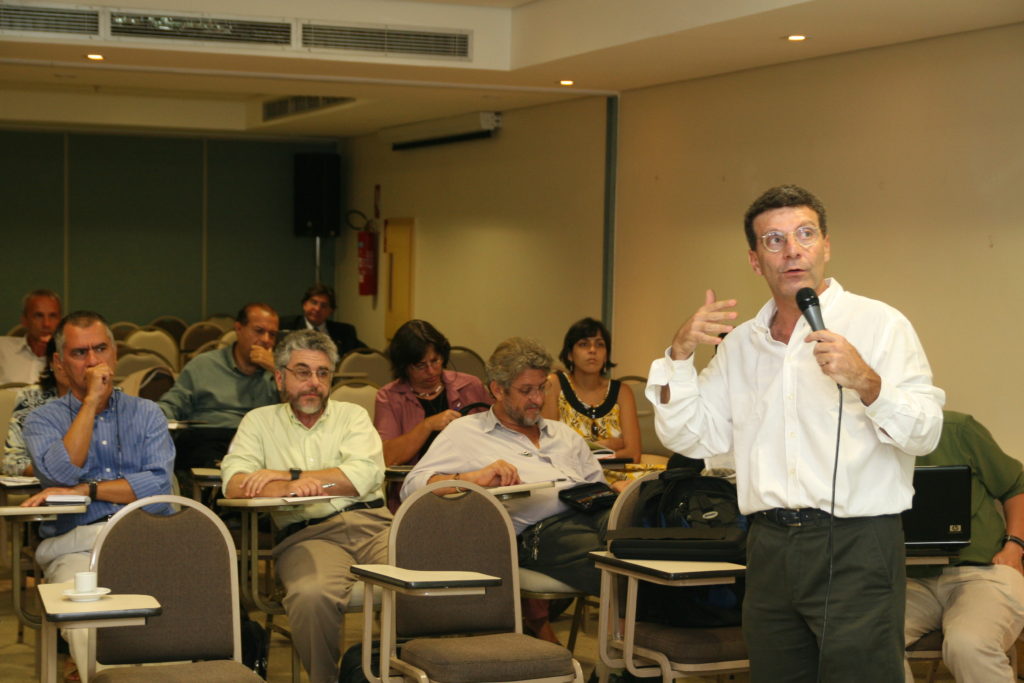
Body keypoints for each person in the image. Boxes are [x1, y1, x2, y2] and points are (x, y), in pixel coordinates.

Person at [646, 184, 944, 681]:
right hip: (768, 544)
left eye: (805, 234)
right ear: (755, 260)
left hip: (855, 541)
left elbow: (926, 433)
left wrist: (868, 382)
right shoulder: (741, 344)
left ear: (826, 245)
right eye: (774, 240)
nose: (793, 250)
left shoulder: (880, 325)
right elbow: (693, 439)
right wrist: (677, 357)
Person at [401, 338, 615, 619]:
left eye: (541, 388)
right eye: (526, 391)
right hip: (537, 534)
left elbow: (596, 486)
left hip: (591, 516)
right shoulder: (466, 433)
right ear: (497, 390)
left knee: (636, 536)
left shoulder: (563, 434)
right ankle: (632, 637)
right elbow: (411, 488)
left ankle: (647, 634)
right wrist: (470, 479)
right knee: (612, 560)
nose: (537, 400)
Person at [221, 329, 390, 683]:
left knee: (427, 578)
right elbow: (236, 483)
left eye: (323, 373)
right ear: (280, 377)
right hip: (308, 536)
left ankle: (395, 668)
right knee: (312, 596)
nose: (314, 382)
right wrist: (295, 488)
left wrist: (289, 476)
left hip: (374, 525)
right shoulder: (259, 422)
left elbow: (362, 474)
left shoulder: (352, 415)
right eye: (302, 372)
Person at [21, 311, 174, 676]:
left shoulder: (148, 413)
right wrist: (90, 402)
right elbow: (58, 472)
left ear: (115, 353)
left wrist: (85, 489)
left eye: (100, 349)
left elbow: (157, 485)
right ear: (59, 363)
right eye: (79, 353)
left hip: (147, 538)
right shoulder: (42, 420)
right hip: (75, 546)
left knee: (174, 644)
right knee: (92, 641)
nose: (93, 361)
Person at [904, 411, 1024, 683]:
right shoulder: (856, 442)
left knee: (969, 644)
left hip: (982, 571)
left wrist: (1014, 547)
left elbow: (1017, 487)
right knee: (867, 644)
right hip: (905, 579)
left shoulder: (957, 429)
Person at [374, 319, 491, 510]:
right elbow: (388, 457)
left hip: (472, 487)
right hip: (416, 495)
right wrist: (427, 425)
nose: (431, 371)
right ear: (404, 366)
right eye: (420, 365)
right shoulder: (389, 397)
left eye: (435, 361)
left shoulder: (470, 386)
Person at [158, 303, 280, 469]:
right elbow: (173, 403)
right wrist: (151, 419)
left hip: (259, 442)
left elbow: (294, 412)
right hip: (211, 435)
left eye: (272, 335)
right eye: (259, 331)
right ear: (239, 329)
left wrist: (276, 369)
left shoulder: (279, 374)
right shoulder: (204, 364)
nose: (266, 340)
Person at [542, 317, 640, 462]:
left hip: (620, 475)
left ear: (606, 355)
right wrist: (607, 445)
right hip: (573, 476)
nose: (593, 350)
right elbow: (550, 449)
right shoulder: (554, 384)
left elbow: (633, 455)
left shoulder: (622, 391)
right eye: (583, 344)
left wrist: (585, 452)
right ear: (570, 354)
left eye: (600, 345)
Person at [2, 338, 69, 476]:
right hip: (45, 488)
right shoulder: (32, 397)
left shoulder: (113, 400)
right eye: (61, 359)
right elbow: (11, 462)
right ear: (52, 362)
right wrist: (54, 473)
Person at [281, 283, 365, 356]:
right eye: (314, 302)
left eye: (324, 306)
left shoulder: (344, 332)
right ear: (304, 304)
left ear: (331, 311)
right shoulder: (287, 325)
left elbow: (368, 354)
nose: (317, 309)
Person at [0, 289, 62, 385]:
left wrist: (52, 350)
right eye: (39, 316)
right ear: (24, 320)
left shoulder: (68, 358)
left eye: (53, 316)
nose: (46, 324)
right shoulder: (2, 348)